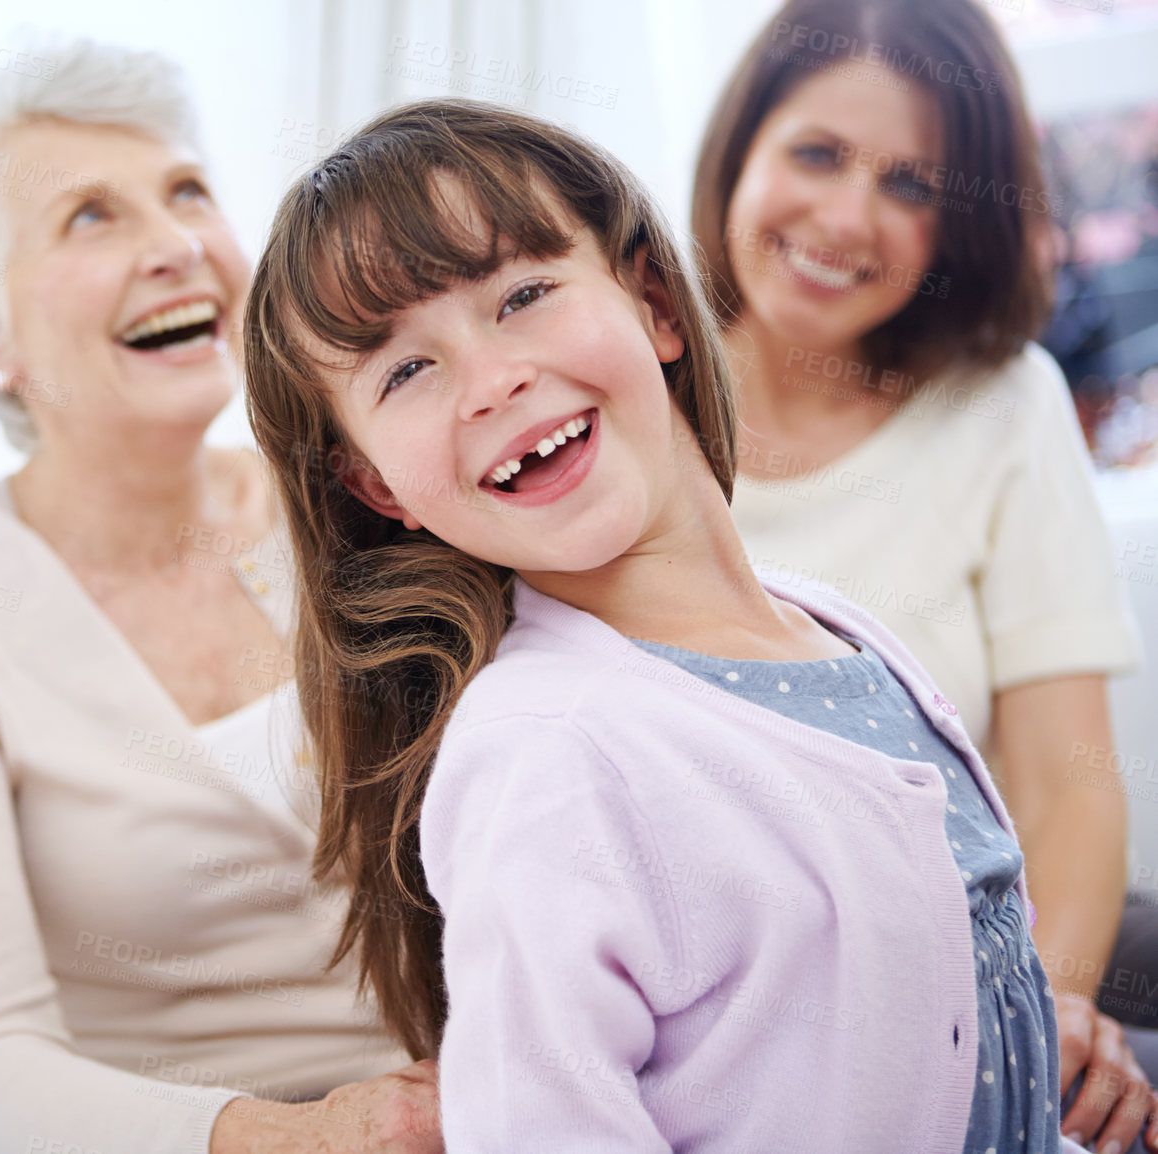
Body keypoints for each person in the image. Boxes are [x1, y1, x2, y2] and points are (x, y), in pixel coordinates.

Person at [241, 95, 1113, 1152]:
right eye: (406, 370)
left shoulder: (823, 625)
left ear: (654, 301)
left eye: (521, 295)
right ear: (380, 486)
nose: (492, 379)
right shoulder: (543, 752)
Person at [0, 40, 440, 1154]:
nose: (176, 247)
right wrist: (302, 1136)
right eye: (89, 218)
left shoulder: (364, 487)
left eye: (187, 192)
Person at [691, 1, 1150, 1146]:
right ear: (738, 150)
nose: (847, 217)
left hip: (986, 943)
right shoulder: (616, 390)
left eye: (912, 185)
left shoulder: (1002, 404)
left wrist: (1037, 1009)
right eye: (815, 153)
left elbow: (1066, 782)